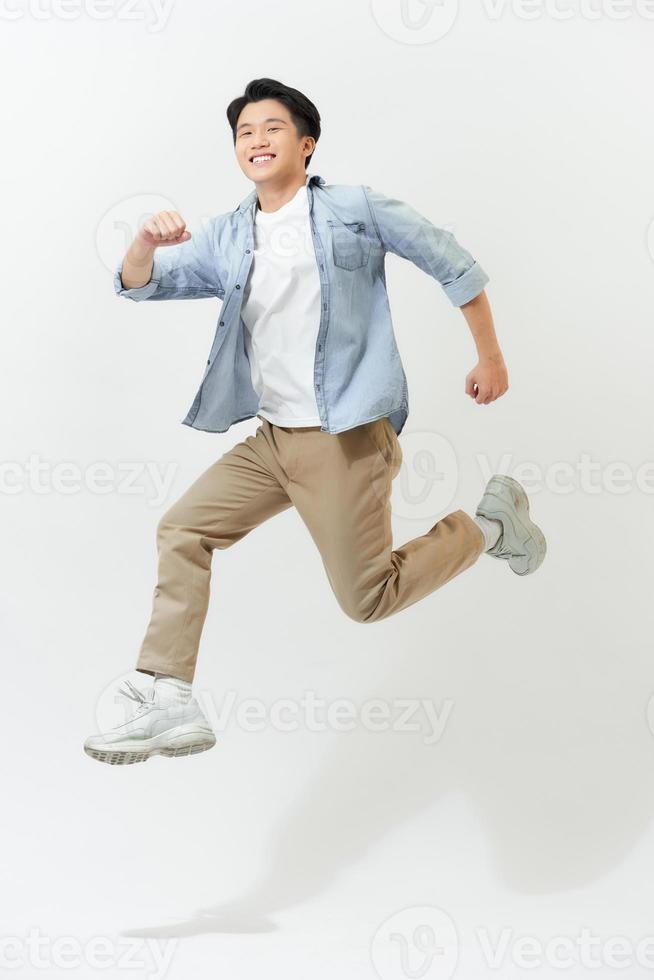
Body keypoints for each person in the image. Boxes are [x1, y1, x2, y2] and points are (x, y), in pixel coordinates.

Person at [84, 77, 546, 766]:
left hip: (344, 440)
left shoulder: (355, 209)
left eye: (272, 128)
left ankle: (488, 525)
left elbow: (454, 263)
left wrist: (491, 357)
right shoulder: (229, 234)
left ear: (306, 143)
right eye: (244, 133)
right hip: (272, 441)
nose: (257, 140)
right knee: (182, 528)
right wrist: (146, 243)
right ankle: (168, 690)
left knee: (368, 600)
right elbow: (143, 283)